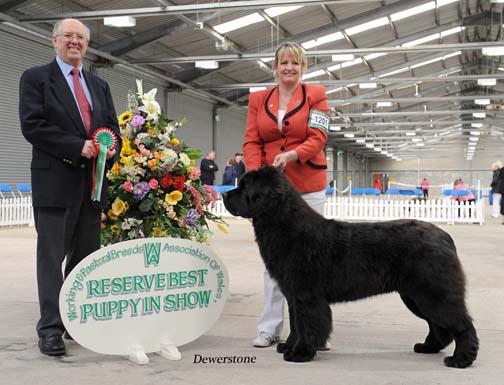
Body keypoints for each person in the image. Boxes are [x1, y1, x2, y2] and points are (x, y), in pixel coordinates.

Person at [19, 18, 120, 356]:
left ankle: (78, 322)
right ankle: (50, 329)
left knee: (85, 258)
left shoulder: (99, 84)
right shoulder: (35, 78)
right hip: (55, 181)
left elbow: (110, 128)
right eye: (68, 36)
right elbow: (33, 125)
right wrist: (77, 146)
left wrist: (113, 148)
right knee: (51, 258)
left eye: (81, 37)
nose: (75, 42)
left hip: (92, 184)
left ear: (87, 45)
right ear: (54, 40)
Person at [243, 41, 331, 349]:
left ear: (303, 67)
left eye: (295, 63)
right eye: (283, 63)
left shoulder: (317, 95)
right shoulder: (258, 99)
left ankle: (314, 332)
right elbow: (252, 142)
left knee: (315, 263)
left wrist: (293, 155)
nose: (289, 68)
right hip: (272, 195)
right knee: (275, 262)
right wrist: (259, 176)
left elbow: (319, 137)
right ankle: (270, 327)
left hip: (308, 185)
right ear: (275, 67)